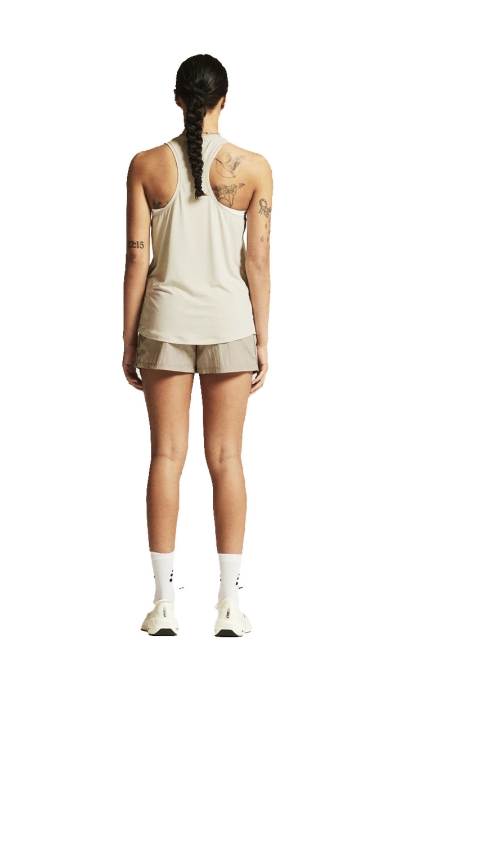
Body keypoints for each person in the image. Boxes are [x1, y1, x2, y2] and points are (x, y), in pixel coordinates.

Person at [122, 54, 273, 637]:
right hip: (230, 325)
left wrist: (128, 338)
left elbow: (136, 259)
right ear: (224, 100)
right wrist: (263, 338)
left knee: (166, 457)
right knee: (227, 459)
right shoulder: (253, 168)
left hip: (163, 326)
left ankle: (164, 604)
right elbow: (257, 261)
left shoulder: (145, 166)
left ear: (178, 99)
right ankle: (229, 606)